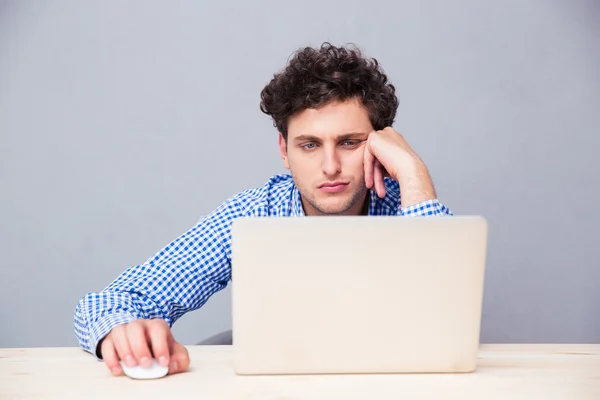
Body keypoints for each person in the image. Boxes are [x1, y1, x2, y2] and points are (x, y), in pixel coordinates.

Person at [73, 42, 453, 377]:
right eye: (309, 145)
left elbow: (447, 316)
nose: (330, 166)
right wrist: (122, 333)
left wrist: (412, 173)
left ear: (381, 144)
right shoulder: (252, 215)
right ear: (284, 151)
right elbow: (110, 302)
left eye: (350, 142)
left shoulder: (409, 208)